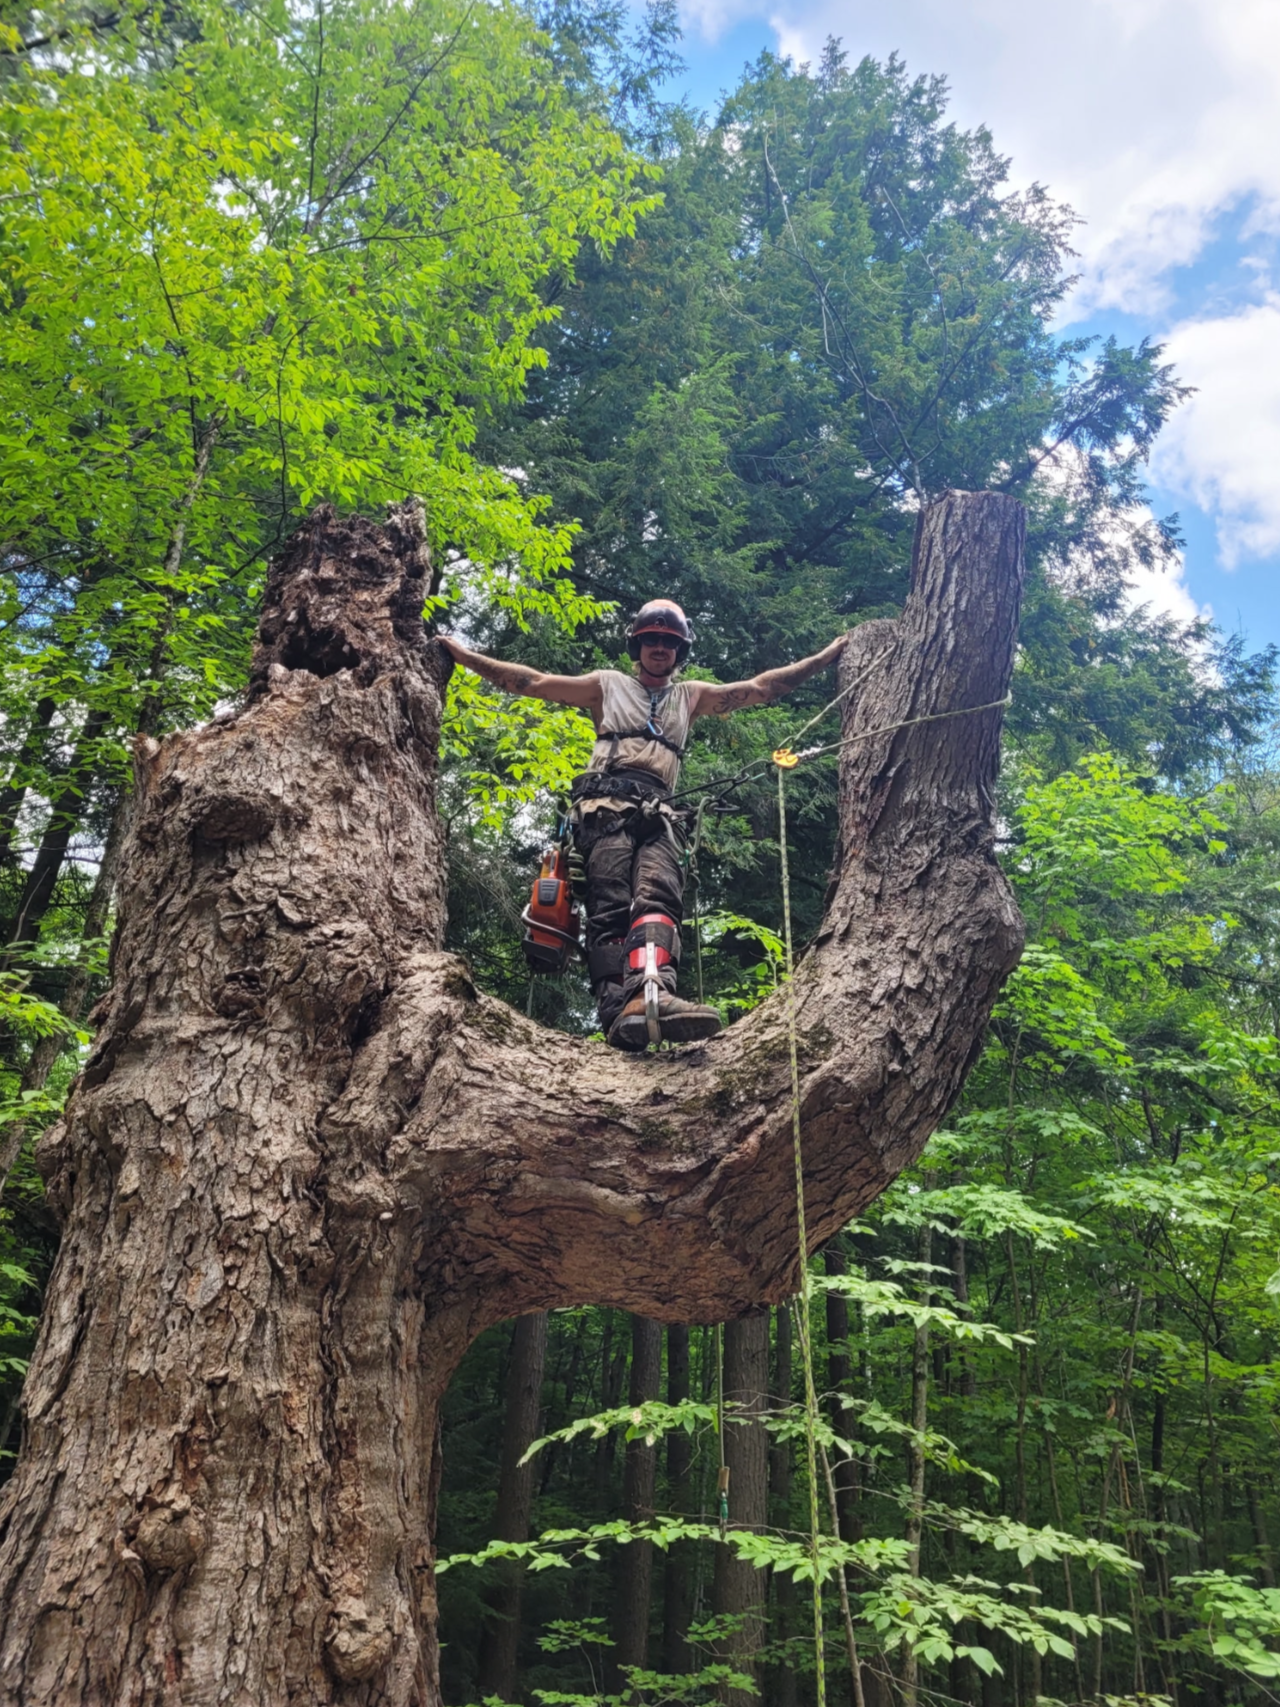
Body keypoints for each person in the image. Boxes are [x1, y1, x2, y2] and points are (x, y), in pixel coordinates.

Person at [439, 603, 848, 1050]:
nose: (660, 648)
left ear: (679, 651)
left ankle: (654, 993)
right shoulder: (606, 685)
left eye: (670, 642)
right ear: (637, 644)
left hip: (660, 812)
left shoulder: (690, 696)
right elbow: (532, 683)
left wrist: (827, 656)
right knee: (610, 906)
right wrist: (462, 655)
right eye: (652, 640)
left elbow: (762, 688)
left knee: (658, 896)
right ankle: (619, 1014)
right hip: (603, 809)